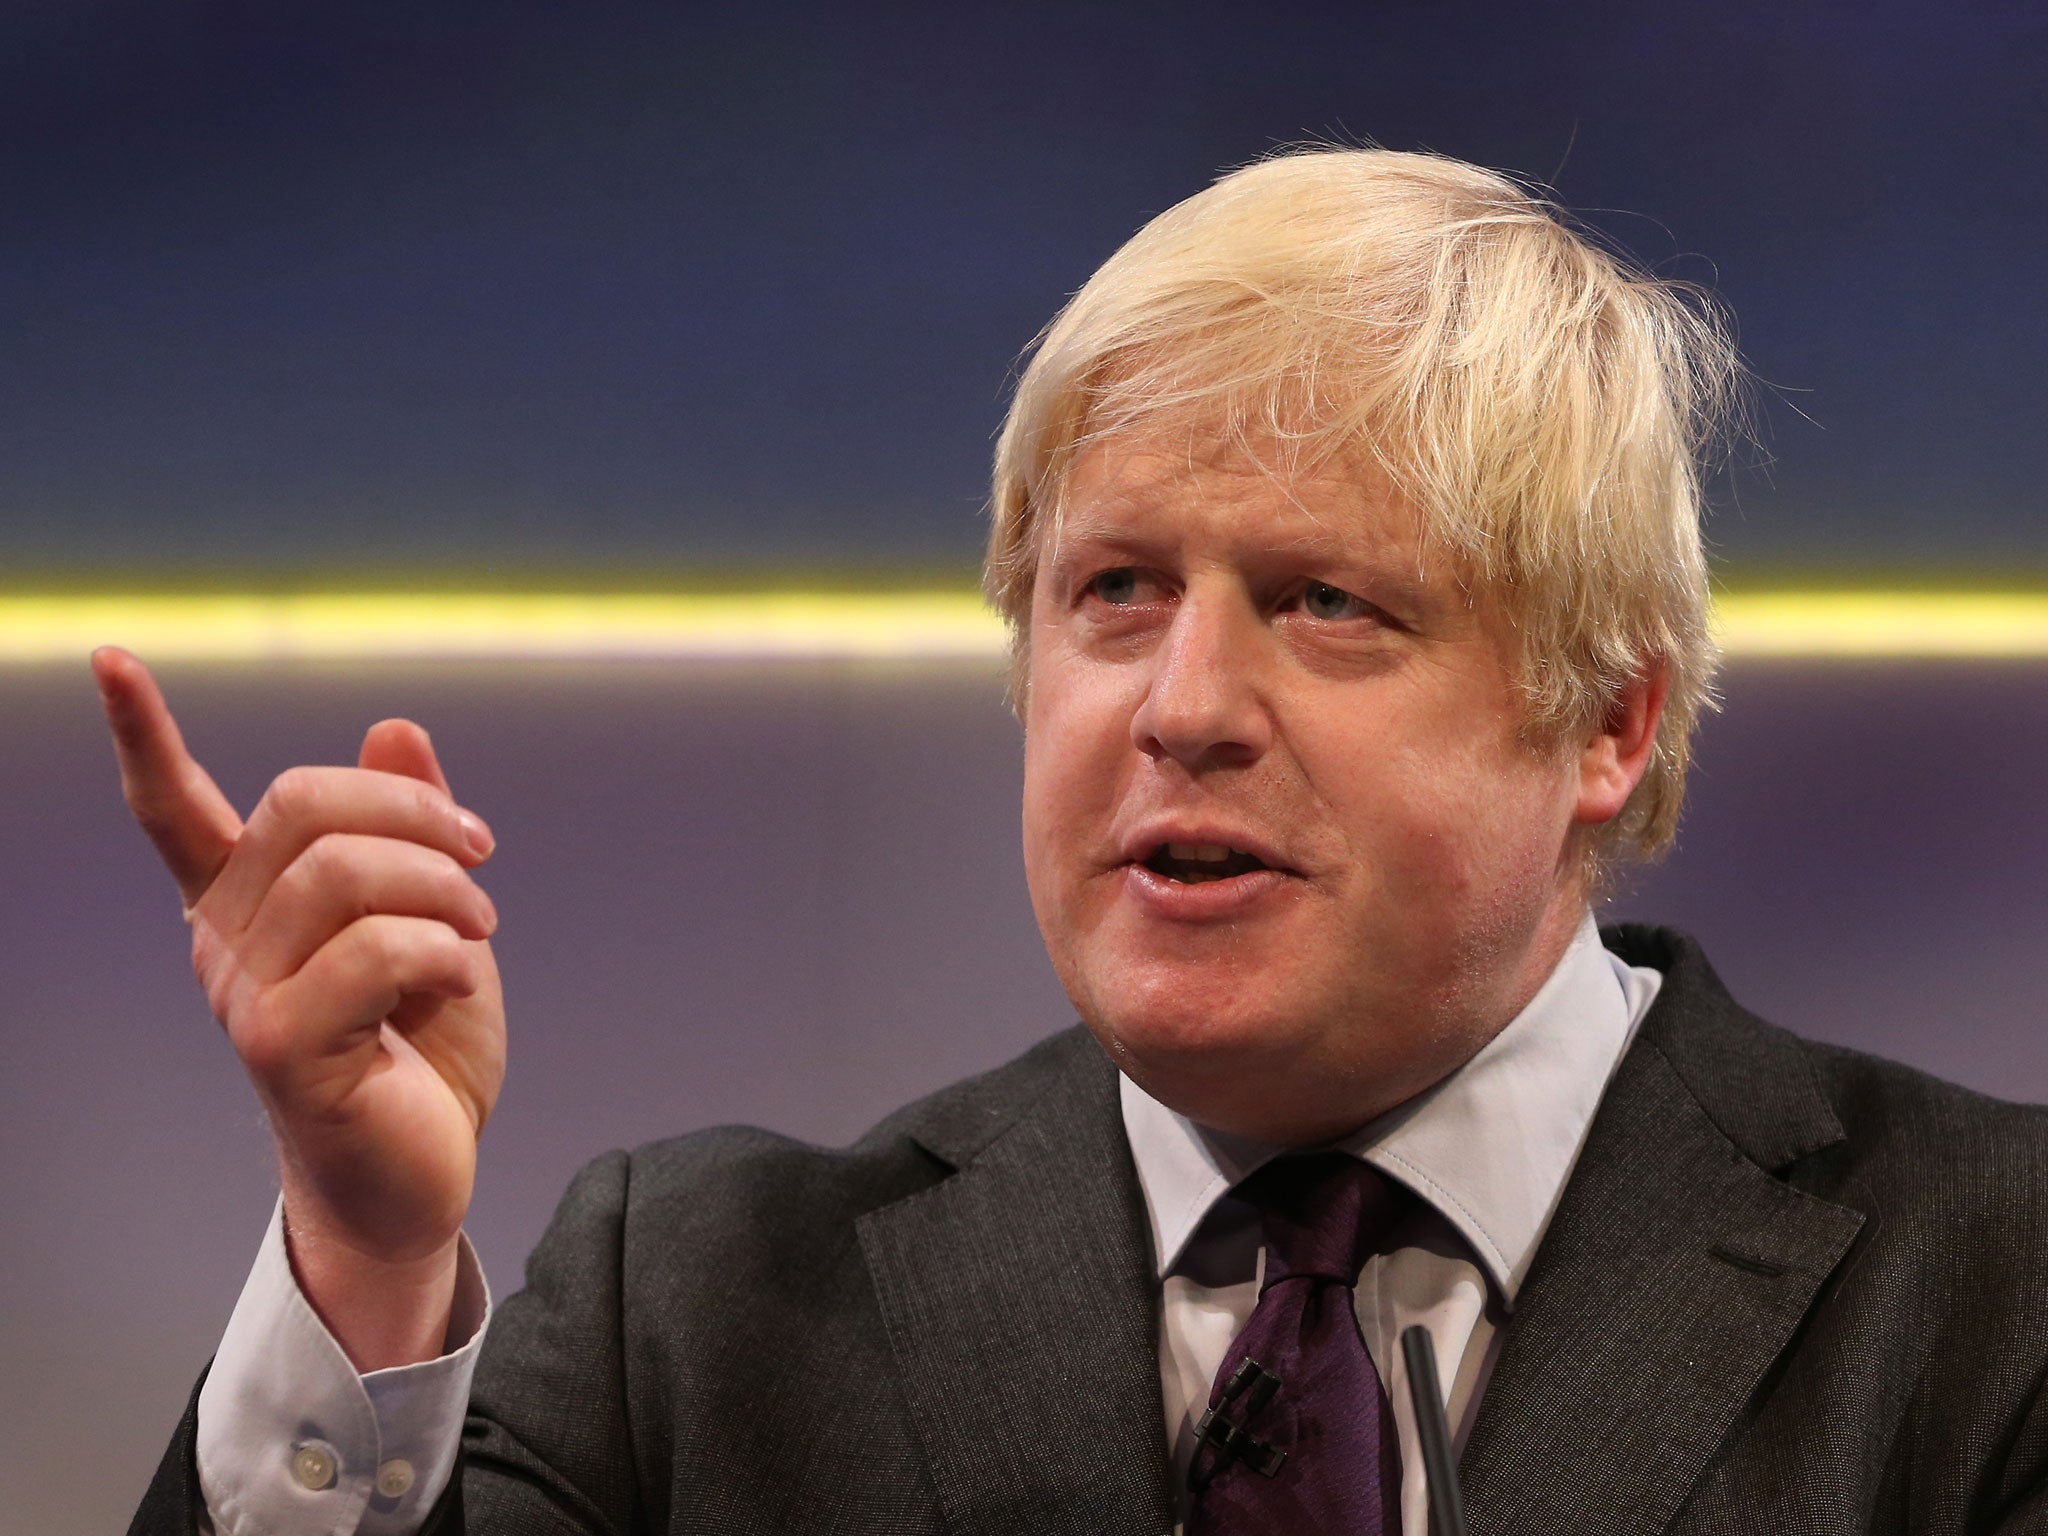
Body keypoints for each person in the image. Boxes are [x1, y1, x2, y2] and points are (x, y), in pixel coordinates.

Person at [113, 149, 2048, 1536]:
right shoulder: (693, 1310)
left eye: (1324, 603)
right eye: (1113, 590)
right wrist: (366, 1261)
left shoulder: (1992, 1289)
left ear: (1608, 721)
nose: (1181, 703)